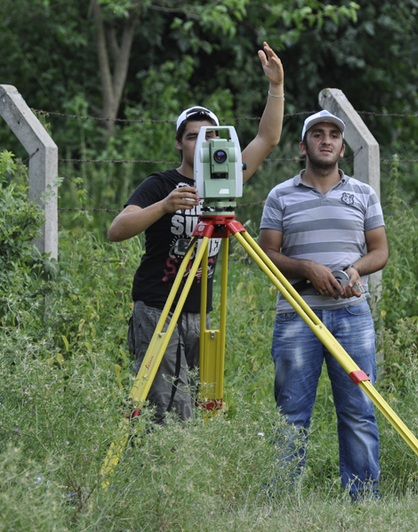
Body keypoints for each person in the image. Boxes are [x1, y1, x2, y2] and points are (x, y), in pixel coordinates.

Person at [108, 42, 284, 424]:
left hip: (199, 312)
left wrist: (276, 87)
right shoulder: (161, 184)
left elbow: (267, 139)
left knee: (196, 404)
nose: (201, 142)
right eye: (191, 136)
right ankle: (162, 461)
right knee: (170, 410)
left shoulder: (227, 179)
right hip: (159, 307)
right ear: (179, 142)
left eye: (208, 136)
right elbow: (116, 230)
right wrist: (164, 206)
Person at [258, 110, 389, 500]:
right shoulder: (280, 195)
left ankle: (363, 500)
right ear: (303, 147)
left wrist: (354, 270)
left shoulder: (363, 194)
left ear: (343, 148)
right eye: (317, 134)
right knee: (291, 414)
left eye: (333, 135)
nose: (326, 140)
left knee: (359, 409)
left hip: (352, 315)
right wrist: (306, 269)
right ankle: (282, 501)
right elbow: (266, 254)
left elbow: (380, 251)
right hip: (297, 315)